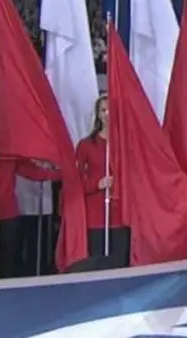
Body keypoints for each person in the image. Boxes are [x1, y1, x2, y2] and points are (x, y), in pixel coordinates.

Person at [0, 95, 61, 280]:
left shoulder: (7, 144)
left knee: (7, 264)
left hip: (8, 213)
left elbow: (29, 171)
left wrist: (62, 173)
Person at [75, 95, 131, 268]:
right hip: (96, 215)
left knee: (119, 262)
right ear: (98, 114)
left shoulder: (125, 144)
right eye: (103, 110)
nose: (107, 114)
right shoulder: (86, 145)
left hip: (120, 214)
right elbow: (75, 182)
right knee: (97, 262)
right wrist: (96, 184)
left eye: (110, 110)